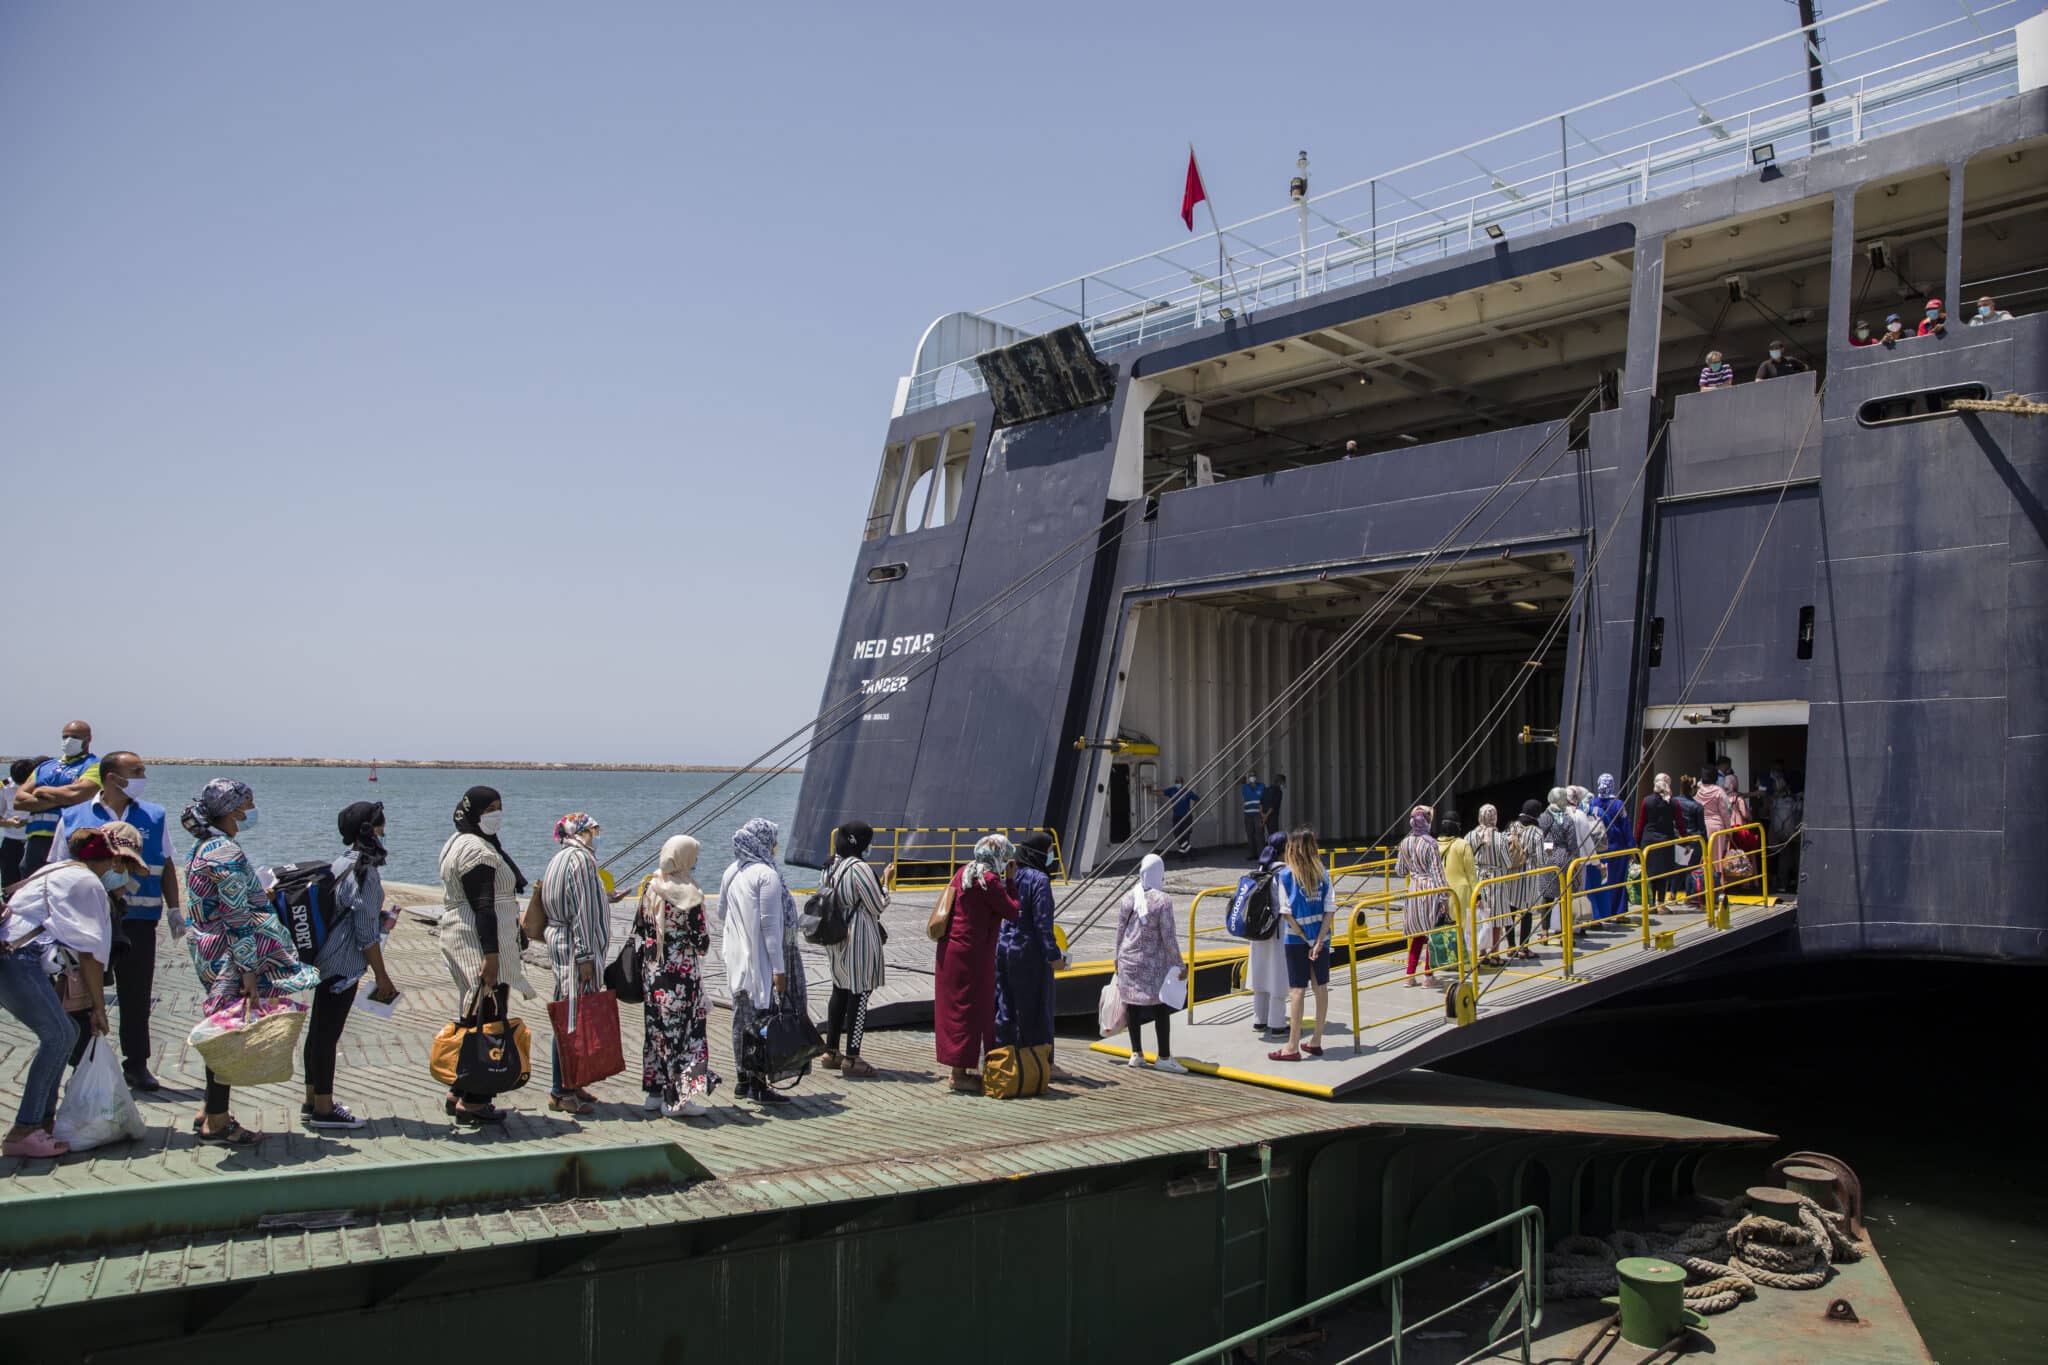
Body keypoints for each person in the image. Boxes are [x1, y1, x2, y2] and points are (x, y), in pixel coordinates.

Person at [181, 779, 322, 1146]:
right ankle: (216, 1122)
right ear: (231, 810)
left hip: (209, 950)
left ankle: (210, 1109)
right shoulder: (224, 851)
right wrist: (247, 969)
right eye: (247, 806)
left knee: (222, 1026)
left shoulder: (204, 847)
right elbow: (236, 916)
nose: (251, 813)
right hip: (228, 956)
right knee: (228, 1034)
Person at [0, 824, 141, 1158]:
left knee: (63, 1033)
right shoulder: (88, 884)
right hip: (19, 958)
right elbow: (91, 957)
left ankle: (41, 1124)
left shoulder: (57, 869)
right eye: (119, 864)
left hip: (13, 955)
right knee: (61, 1036)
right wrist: (99, 1009)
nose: (119, 873)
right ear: (108, 859)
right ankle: (24, 1129)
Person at [46, 751, 182, 1090]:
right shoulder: (74, 815)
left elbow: (165, 865)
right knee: (81, 994)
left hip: (138, 920)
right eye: (135, 771)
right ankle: (83, 1064)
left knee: (137, 995)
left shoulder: (154, 815)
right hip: (86, 922)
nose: (142, 775)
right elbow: (55, 868)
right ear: (111, 777)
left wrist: (175, 908)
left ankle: (137, 1064)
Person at [435, 785, 531, 1125]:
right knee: (488, 1018)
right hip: (479, 944)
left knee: (473, 1013)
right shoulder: (477, 850)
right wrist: (491, 956)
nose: (496, 813)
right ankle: (475, 1101)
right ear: (473, 810)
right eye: (490, 808)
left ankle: (459, 1089)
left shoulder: (460, 841)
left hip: (464, 936)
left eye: (499, 806)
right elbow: (484, 907)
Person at [304, 801, 399, 1129]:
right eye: (381, 826)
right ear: (370, 831)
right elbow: (365, 935)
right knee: (328, 1034)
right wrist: (382, 977)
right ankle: (324, 1109)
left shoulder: (341, 863)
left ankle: (311, 1097)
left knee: (318, 1030)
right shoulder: (365, 871)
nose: (384, 832)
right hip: (343, 963)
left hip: (323, 955)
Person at [718, 817, 808, 1105]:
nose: (776, 845)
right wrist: (779, 970)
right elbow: (771, 927)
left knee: (742, 1017)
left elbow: (722, 913)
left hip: (737, 956)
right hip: (765, 959)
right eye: (773, 840)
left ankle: (743, 1079)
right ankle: (760, 1083)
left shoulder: (733, 871)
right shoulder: (766, 875)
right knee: (763, 1018)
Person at [636, 835, 719, 1117]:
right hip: (681, 978)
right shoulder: (689, 894)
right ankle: (677, 1100)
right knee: (687, 1036)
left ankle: (654, 1093)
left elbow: (640, 926)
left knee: (658, 1034)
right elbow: (702, 943)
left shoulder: (651, 886)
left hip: (653, 973)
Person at [538, 812, 614, 1116]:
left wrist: (607, 898)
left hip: (561, 941)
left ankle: (574, 1081)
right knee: (570, 1018)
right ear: (581, 832)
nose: (594, 837)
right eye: (591, 831)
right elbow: (582, 910)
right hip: (575, 949)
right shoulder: (581, 861)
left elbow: (575, 899)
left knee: (573, 1014)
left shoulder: (560, 857)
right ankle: (561, 1090)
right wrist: (584, 955)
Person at [930, 833, 1019, 1092]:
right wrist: (1011, 882)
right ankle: (961, 1074)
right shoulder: (989, 881)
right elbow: (1012, 911)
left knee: (956, 1011)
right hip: (974, 955)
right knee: (975, 1011)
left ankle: (960, 1068)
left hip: (950, 951)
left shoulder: (963, 873)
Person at [823, 821, 891, 1079]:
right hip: (858, 937)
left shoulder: (831, 865)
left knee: (839, 990)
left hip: (836, 935)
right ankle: (853, 1057)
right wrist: (885, 882)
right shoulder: (860, 868)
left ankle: (831, 1051)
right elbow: (877, 905)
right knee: (860, 994)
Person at [994, 830, 1065, 1068]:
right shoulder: (1040, 881)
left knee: (1006, 1006)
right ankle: (1042, 1063)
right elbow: (1043, 922)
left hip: (1004, 948)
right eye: (1049, 851)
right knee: (1036, 1009)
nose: (1051, 857)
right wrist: (1054, 956)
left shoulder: (1012, 876)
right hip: (1029, 952)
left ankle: (1003, 1059)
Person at [1116, 853, 1188, 1072]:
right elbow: (1168, 936)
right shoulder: (1162, 900)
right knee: (1160, 1007)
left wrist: (1116, 958)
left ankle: (1136, 1053)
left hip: (1127, 959)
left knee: (1133, 1006)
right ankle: (1164, 1056)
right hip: (1152, 963)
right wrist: (1179, 964)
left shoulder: (1129, 896)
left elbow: (1120, 930)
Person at [1267, 827, 1332, 1061]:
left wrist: (1306, 940)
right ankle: (1316, 1040)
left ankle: (1292, 1045)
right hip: (1321, 940)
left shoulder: (1284, 876)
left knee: (1297, 990)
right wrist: (1317, 942)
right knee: (1320, 986)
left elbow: (1286, 913)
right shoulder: (1324, 874)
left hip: (1296, 940)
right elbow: (1329, 910)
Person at [12, 722, 101, 879]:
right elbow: (19, 800)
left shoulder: (94, 765)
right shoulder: (45, 767)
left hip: (72, 837)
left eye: (74, 737)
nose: (68, 740)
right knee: (30, 885)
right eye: (65, 737)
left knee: (66, 884)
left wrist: (42, 791)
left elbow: (76, 795)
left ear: (88, 739)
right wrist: (62, 797)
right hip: (37, 839)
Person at [1395, 806, 1449, 988]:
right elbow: (1438, 873)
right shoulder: (1430, 843)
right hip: (1429, 889)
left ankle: (1409, 975)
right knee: (1432, 933)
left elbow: (1400, 871)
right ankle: (1428, 976)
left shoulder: (1404, 843)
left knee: (1417, 934)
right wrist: (1445, 897)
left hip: (1413, 888)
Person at [1246, 831, 1292, 1035]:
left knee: (1260, 973)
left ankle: (1259, 1019)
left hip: (1257, 930)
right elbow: (1288, 903)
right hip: (1277, 930)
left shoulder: (1260, 870)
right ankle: (1277, 1023)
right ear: (1285, 850)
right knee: (1278, 975)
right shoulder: (1285, 872)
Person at [1468, 805, 1514, 965]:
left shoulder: (1471, 836)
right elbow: (1508, 862)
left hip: (1478, 879)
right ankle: (1495, 954)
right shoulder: (1500, 838)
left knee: (1481, 918)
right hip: (1496, 880)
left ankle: (1481, 952)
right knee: (1497, 919)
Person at [1587, 773, 1634, 923]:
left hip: (1600, 848)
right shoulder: (1618, 804)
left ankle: (1603, 913)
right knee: (1619, 881)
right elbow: (1626, 827)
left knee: (1603, 881)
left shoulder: (1593, 804)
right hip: (1618, 848)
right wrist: (1632, 847)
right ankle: (1619, 913)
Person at [1505, 800, 1547, 959]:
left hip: (1511, 874)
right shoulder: (1537, 832)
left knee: (1510, 910)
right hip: (1528, 876)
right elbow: (1542, 859)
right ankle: (1524, 948)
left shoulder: (1512, 826)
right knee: (1526, 912)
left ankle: (1510, 947)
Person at [1436, 812, 1476, 972]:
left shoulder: (1435, 844)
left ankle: (1447, 962)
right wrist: (1477, 894)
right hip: (1461, 890)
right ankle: (1466, 965)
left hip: (1442, 891)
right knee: (1464, 927)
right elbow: (1471, 872)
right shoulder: (1462, 844)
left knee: (1446, 928)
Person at [1537, 788, 1579, 934]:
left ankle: (1544, 931)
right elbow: (1572, 843)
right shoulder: (1567, 819)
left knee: (1547, 896)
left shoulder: (1543, 817)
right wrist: (1576, 861)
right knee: (1564, 897)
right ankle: (1564, 931)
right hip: (1564, 857)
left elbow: (1540, 837)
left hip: (1548, 856)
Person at [1638, 773, 1684, 906]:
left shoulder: (1646, 801)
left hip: (1648, 841)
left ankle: (1651, 904)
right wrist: (1685, 839)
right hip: (1666, 841)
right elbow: (1680, 823)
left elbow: (1641, 823)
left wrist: (1636, 841)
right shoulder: (1673, 802)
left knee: (1651, 873)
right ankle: (1660, 903)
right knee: (1663, 874)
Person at [1, 757, 39, 889]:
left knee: (33, 884)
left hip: (34, 841)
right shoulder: (4, 787)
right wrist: (9, 822)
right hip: (11, 842)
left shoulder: (42, 786)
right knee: (9, 884)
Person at [1674, 775, 1708, 906]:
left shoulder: (1675, 801)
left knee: (1679, 868)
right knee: (1691, 869)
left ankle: (1672, 894)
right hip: (1694, 839)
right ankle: (1689, 896)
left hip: (1680, 838)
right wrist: (1705, 842)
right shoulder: (1697, 806)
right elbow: (1702, 828)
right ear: (1692, 790)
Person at [1159, 778, 1199, 854]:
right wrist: (1150, 791)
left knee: (1186, 835)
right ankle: (1189, 849)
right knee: (1177, 833)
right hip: (1176, 816)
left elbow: (1197, 799)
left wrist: (1192, 809)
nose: (1177, 783)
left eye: (1179, 782)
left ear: (1182, 783)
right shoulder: (1172, 790)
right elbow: (1161, 792)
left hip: (1186, 816)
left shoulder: (1186, 791)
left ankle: (1185, 852)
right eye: (1176, 782)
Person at [1239, 773, 1266, 859]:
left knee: (1259, 834)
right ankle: (1252, 854)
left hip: (1258, 814)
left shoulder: (1262, 786)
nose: (1252, 777)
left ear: (1256, 777)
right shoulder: (1245, 787)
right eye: (1250, 776)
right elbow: (1238, 781)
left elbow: (1264, 798)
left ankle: (1261, 854)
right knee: (1250, 834)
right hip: (1248, 814)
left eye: (1253, 776)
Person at [1261, 774, 1286, 840]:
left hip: (1263, 816)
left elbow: (1261, 803)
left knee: (1263, 837)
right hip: (1272, 817)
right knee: (1274, 837)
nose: (1284, 784)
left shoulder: (1266, 789)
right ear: (1280, 782)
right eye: (1283, 782)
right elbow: (1273, 807)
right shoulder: (1278, 792)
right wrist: (1266, 816)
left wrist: (1263, 816)